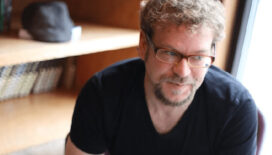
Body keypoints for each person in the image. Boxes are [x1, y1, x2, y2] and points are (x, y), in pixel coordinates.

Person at [65, 0, 258, 154]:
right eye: (170, 53)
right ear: (143, 45)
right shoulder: (102, 92)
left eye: (198, 57)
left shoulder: (235, 109)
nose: (183, 72)